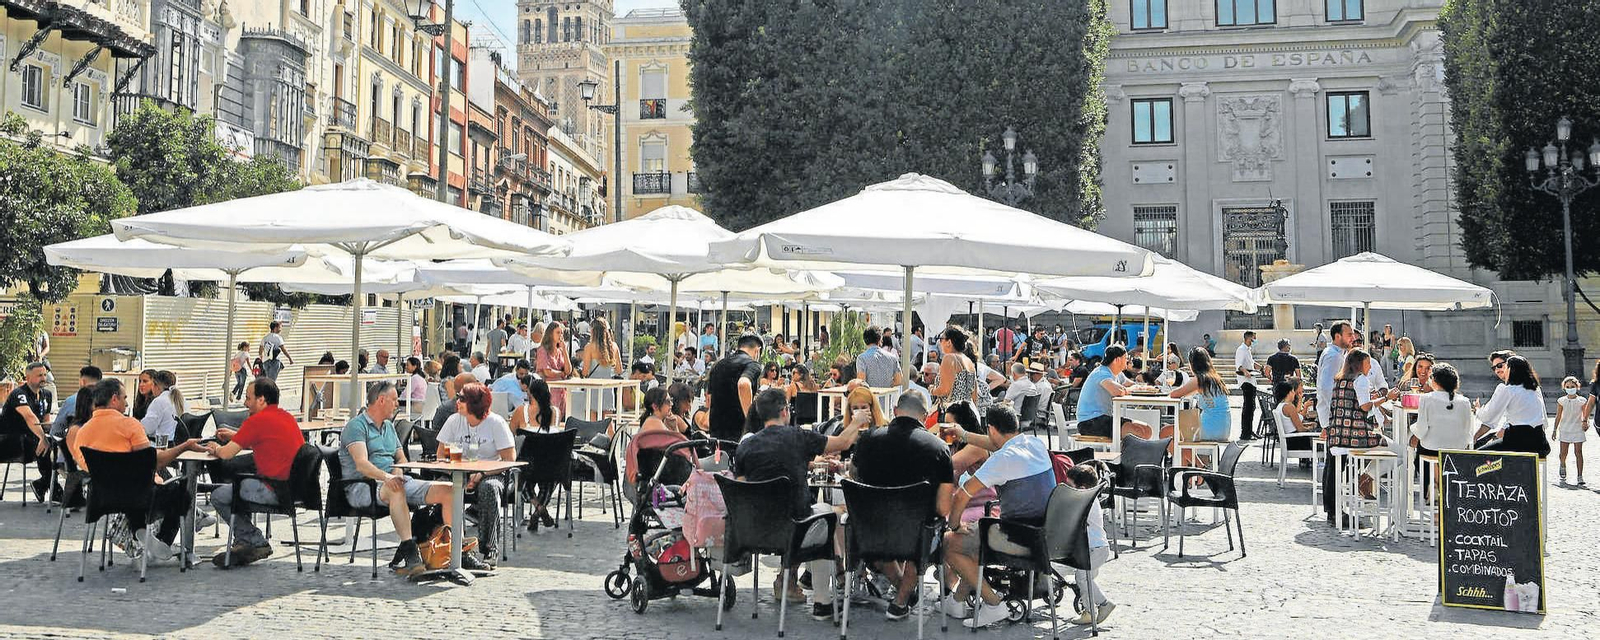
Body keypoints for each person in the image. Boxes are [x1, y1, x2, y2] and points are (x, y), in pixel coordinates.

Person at [732, 388, 865, 620]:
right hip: (795, 530)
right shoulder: (798, 436)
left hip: (754, 531)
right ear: (785, 411)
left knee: (820, 515)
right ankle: (823, 600)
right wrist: (857, 421)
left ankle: (802, 583)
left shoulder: (745, 446)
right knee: (825, 516)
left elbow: (741, 489)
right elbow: (844, 443)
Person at [941, 405, 1056, 628]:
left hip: (1017, 536)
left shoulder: (1003, 459)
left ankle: (994, 604)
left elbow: (961, 497)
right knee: (972, 541)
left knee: (949, 543)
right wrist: (964, 434)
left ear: (991, 428)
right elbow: (995, 442)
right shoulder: (1035, 444)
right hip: (1044, 531)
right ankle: (956, 601)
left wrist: (954, 525)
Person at [69, 379, 203, 563]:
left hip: (100, 498)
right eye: (124, 398)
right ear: (114, 399)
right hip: (139, 497)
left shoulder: (82, 433)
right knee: (181, 494)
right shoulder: (130, 425)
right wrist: (184, 447)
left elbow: (85, 468)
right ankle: (163, 541)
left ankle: (142, 532)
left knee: (139, 489)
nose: (126, 403)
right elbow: (154, 461)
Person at [849, 393, 954, 620]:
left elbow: (853, 476)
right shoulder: (938, 448)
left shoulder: (867, 439)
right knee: (927, 528)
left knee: (887, 528)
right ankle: (900, 600)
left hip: (869, 534)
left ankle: (901, 593)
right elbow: (944, 508)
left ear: (895, 410)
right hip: (915, 537)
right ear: (925, 417)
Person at [340, 381, 453, 576]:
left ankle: (454, 548)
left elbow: (400, 457)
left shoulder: (389, 428)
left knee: (448, 490)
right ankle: (410, 550)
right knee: (395, 489)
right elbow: (361, 464)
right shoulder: (356, 426)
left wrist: (398, 474)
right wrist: (388, 477)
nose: (397, 405)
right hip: (362, 486)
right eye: (394, 400)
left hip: (393, 481)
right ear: (381, 400)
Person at [204, 377, 304, 567]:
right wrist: (236, 436)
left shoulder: (257, 421)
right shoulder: (286, 417)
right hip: (293, 489)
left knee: (219, 495)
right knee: (239, 488)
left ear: (261, 400)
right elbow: (262, 439)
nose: (244, 403)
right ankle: (244, 543)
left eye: (248, 398)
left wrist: (216, 448)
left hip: (273, 489)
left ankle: (253, 540)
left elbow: (226, 454)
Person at [436, 383, 515, 563]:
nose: (458, 401)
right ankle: (445, 545)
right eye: (458, 396)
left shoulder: (496, 423)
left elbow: (509, 459)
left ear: (475, 403)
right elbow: (440, 454)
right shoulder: (454, 421)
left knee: (489, 489)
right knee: (438, 488)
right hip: (459, 473)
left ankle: (489, 548)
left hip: (493, 473)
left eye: (462, 398)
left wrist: (482, 473)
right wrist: (460, 468)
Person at [1321, 348, 1388, 520]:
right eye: (1367, 364)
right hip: (1354, 434)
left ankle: (1332, 509)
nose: (1369, 368)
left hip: (1337, 433)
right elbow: (1365, 406)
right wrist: (1386, 398)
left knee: (1333, 470)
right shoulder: (1361, 380)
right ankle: (1366, 478)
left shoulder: (1339, 379)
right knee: (1390, 447)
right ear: (1359, 365)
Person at [1062, 463, 1114, 626]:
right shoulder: (1090, 499)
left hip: (1094, 549)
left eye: (1069, 485)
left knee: (1082, 578)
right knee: (1085, 580)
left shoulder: (1085, 502)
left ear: (1082, 488)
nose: (1066, 487)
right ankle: (1089, 611)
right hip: (1095, 548)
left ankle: (1103, 605)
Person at [1474, 355, 1550, 458]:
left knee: (1476, 455)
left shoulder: (1507, 390)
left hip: (1516, 443)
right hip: (1540, 444)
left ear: (1510, 370)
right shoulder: (1535, 389)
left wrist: (1478, 410)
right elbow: (1544, 421)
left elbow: (1488, 416)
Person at [1075, 345, 1154, 440]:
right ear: (1117, 360)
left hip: (1104, 419)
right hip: (1090, 422)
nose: (1128, 360)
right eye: (1126, 358)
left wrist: (1145, 387)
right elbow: (1117, 391)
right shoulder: (1101, 373)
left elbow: (1131, 384)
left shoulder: (1117, 373)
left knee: (1146, 430)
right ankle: (1127, 454)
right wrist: (1131, 389)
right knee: (1139, 432)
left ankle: (1129, 452)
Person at [1, 362, 54, 502]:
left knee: (57, 443)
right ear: (28, 377)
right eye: (39, 375)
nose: (43, 378)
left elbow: (45, 422)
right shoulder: (19, 394)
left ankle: (45, 484)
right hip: (9, 441)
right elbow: (30, 417)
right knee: (42, 444)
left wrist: (50, 435)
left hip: (30, 439)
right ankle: (50, 488)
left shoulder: (46, 395)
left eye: (44, 374)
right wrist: (43, 438)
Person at [705, 335, 764, 441]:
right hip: (739, 433)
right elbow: (743, 384)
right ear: (757, 351)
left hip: (717, 435)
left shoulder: (718, 365)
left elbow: (708, 401)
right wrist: (751, 422)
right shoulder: (752, 365)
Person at [1410, 364, 1475, 458]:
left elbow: (1421, 429)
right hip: (1457, 450)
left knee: (1414, 443)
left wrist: (1412, 429)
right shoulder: (1465, 401)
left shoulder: (1426, 398)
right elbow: (1467, 431)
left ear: (1435, 380)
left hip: (1430, 449)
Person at [1169, 347, 1231, 444]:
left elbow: (1174, 394)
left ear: (1192, 364)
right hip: (1224, 428)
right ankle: (1198, 459)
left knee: (1166, 432)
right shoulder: (1215, 378)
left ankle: (1188, 459)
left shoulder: (1200, 379)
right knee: (1182, 431)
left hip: (1210, 428)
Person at [930, 327, 983, 410]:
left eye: (941, 339)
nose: (939, 343)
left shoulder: (949, 358)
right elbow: (974, 393)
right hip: (968, 410)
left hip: (952, 411)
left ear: (949, 342)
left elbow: (945, 390)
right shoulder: (968, 361)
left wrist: (932, 390)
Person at [1316, 322, 1355, 430]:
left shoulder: (1336, 353)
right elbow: (1326, 387)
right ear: (1338, 336)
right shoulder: (1333, 356)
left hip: (1333, 417)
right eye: (1349, 335)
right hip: (1333, 418)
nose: (1353, 338)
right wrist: (1338, 412)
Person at [1273, 379, 1318, 458]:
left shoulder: (1280, 406)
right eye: (1293, 391)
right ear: (1289, 393)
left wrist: (1307, 425)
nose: (1294, 394)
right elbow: (1300, 429)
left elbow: (1292, 424)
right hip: (1295, 442)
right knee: (1322, 439)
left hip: (1289, 441)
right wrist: (1310, 428)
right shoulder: (1289, 407)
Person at [536, 321, 572, 410]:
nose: (560, 335)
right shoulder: (542, 350)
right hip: (548, 390)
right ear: (550, 334)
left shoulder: (560, 351)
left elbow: (568, 371)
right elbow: (547, 372)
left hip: (560, 391)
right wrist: (561, 373)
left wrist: (565, 351)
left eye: (561, 333)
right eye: (558, 332)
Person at [140, 371, 182, 442]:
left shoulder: (159, 402)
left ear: (157, 386)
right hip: (179, 445)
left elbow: (146, 429)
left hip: (162, 446)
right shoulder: (181, 399)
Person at [1234, 331, 1260, 440]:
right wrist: (1246, 372)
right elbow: (1239, 365)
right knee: (1248, 408)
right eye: (1254, 338)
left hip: (1251, 381)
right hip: (1246, 381)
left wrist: (1261, 368)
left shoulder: (1248, 350)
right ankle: (1245, 433)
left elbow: (1252, 362)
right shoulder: (1241, 350)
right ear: (1248, 339)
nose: (1255, 341)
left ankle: (1249, 430)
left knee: (1252, 407)